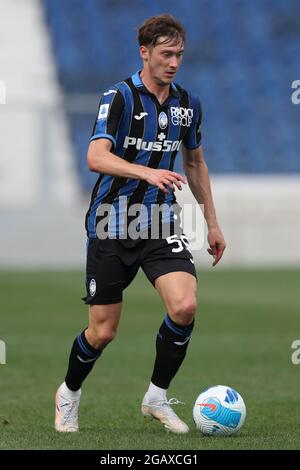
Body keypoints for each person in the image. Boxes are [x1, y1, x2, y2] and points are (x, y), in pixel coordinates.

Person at [55, 14, 226, 434]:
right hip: (112, 223)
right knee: (103, 331)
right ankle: (68, 393)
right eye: (166, 54)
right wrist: (146, 172)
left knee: (184, 306)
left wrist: (213, 223)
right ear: (144, 52)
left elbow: (194, 162)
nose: (173, 63)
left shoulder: (188, 103)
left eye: (179, 55)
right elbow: (96, 157)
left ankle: (156, 397)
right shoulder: (118, 98)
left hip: (159, 220)